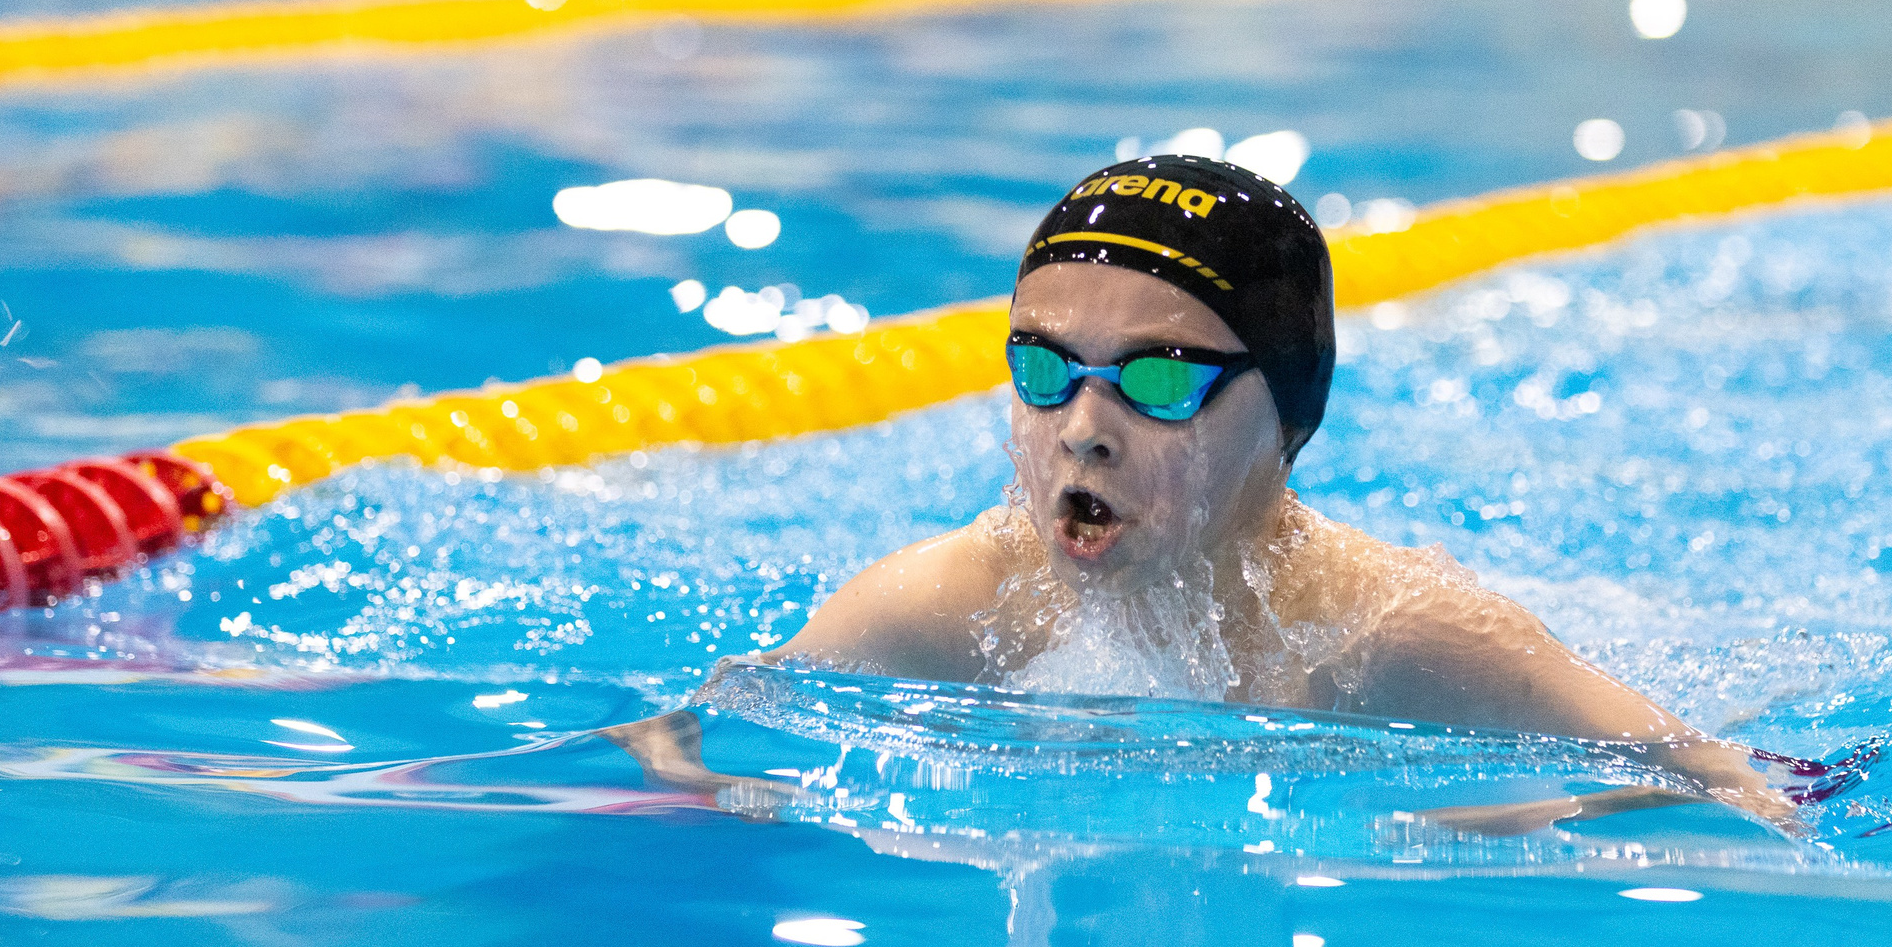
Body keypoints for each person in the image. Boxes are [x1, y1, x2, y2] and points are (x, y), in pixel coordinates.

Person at [635, 153, 1796, 829]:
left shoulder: (1392, 636)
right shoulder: (943, 604)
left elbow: (1725, 777)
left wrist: (1497, 823)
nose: (1082, 430)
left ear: (1286, 417)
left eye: (1157, 380)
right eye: (1043, 369)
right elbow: (682, 732)